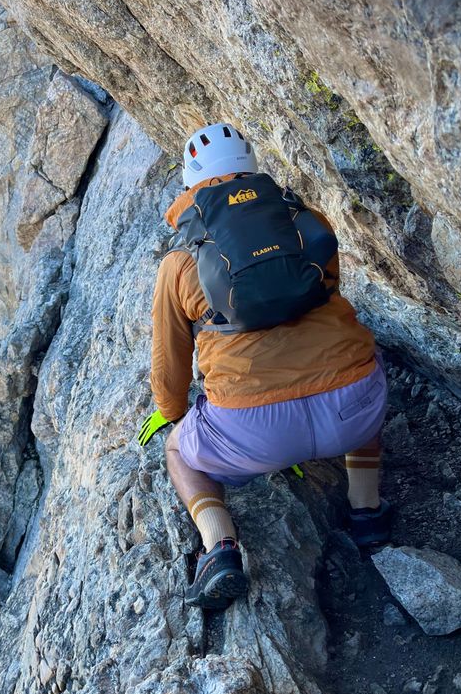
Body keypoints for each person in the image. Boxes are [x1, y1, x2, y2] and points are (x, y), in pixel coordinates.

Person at [138, 122, 390, 611]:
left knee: (180, 453)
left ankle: (220, 550)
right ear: (250, 169)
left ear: (191, 184)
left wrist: (171, 412)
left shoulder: (180, 262)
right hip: (354, 410)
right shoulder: (305, 219)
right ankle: (368, 513)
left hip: (253, 434)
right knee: (357, 362)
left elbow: (170, 362)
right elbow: (328, 292)